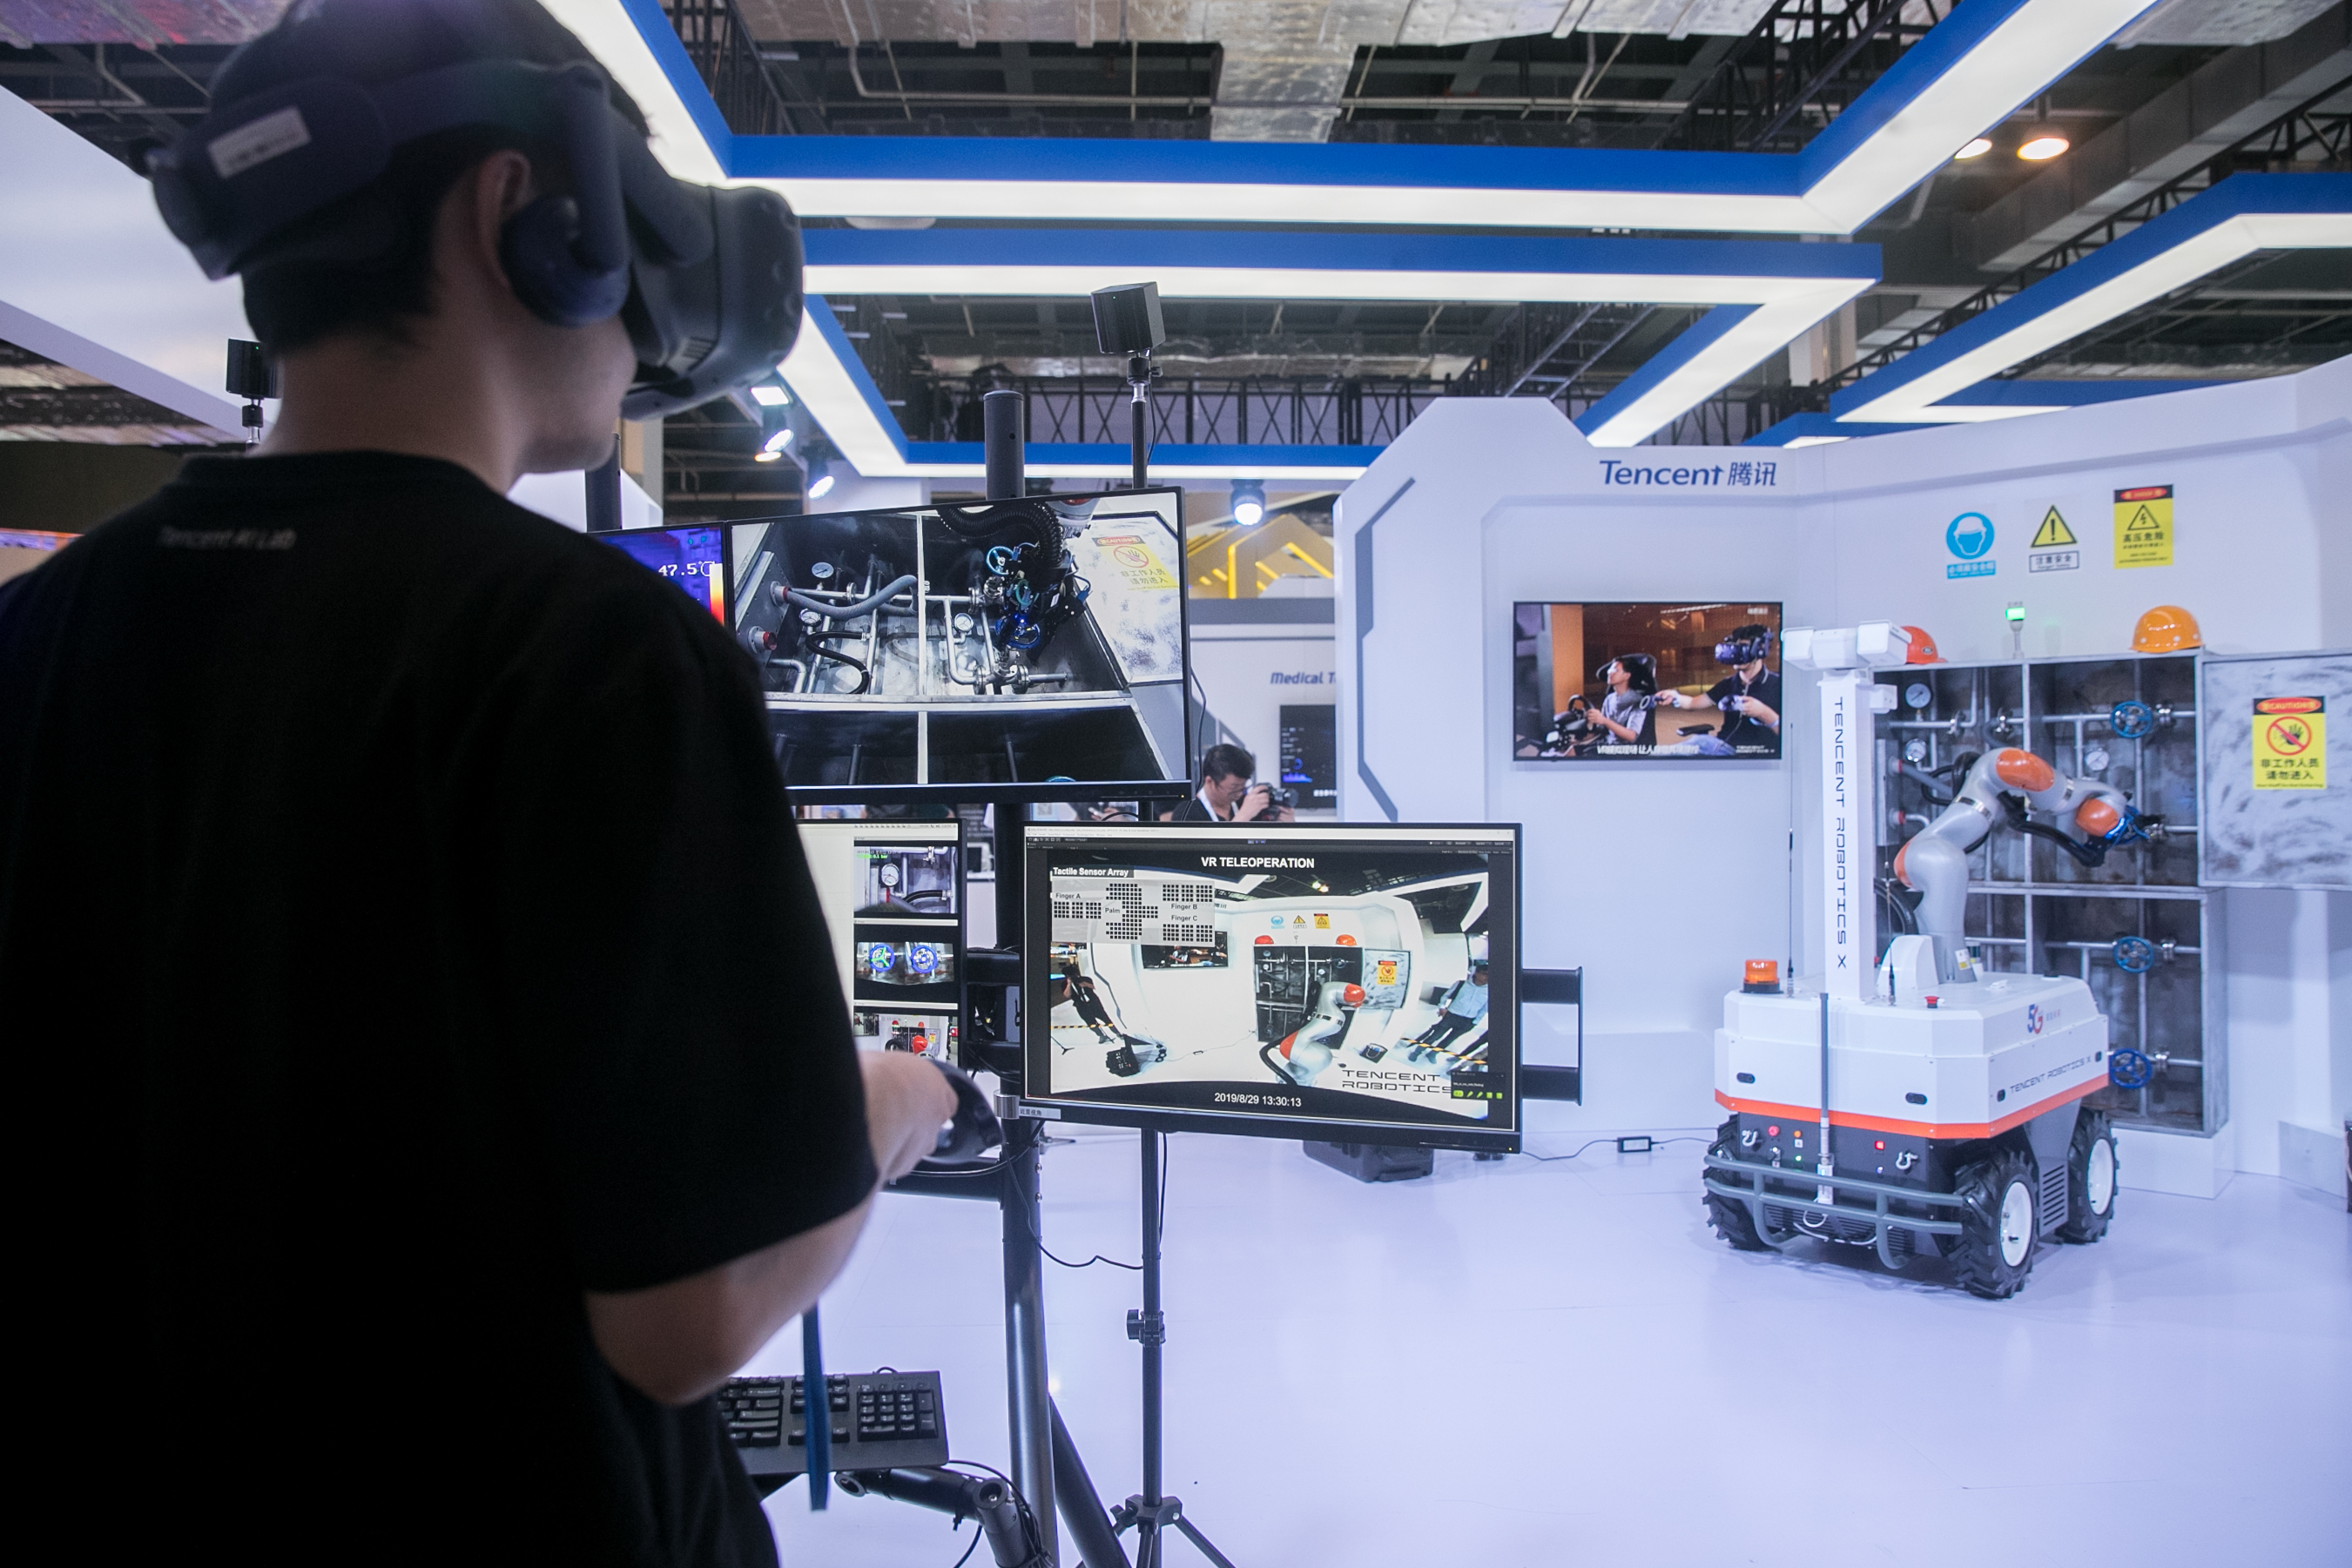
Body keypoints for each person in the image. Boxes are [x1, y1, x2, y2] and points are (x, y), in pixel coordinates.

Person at [0, 3, 954, 1564]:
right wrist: (901, 1100)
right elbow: (695, 1312)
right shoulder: (594, 656)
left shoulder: (40, 629)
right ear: (520, 210)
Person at [1664, 622, 1783, 756]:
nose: (1735, 654)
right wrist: (1675, 697)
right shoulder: (1729, 683)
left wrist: (1763, 712)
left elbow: (1790, 734)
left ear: (1759, 650)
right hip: (1722, 748)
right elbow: (1693, 703)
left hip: (1758, 756)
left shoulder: (1779, 685)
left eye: (1742, 648)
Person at [1170, 742, 1297, 822]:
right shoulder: (1186, 813)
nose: (1239, 793)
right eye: (1234, 787)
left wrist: (1287, 824)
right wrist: (1243, 817)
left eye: (1243, 786)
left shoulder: (1246, 803)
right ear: (1210, 782)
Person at [1407, 963, 1491, 1060]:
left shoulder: (1488, 990)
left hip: (1468, 1021)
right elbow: (1446, 996)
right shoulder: (1461, 984)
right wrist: (1442, 1007)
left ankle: (1433, 1054)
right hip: (1452, 1015)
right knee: (1435, 1035)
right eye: (1485, 974)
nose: (1487, 977)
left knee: (1449, 1040)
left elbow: (1484, 1008)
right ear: (1476, 973)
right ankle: (1417, 1052)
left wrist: (1475, 1022)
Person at [1587, 655, 1661, 750]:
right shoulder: (1609, 699)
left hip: (1627, 749)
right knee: (1573, 749)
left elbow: (1631, 736)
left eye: (1616, 670)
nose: (1610, 672)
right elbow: (1602, 730)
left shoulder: (1638, 701)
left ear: (1627, 676)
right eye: (1610, 669)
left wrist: (1604, 720)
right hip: (1609, 743)